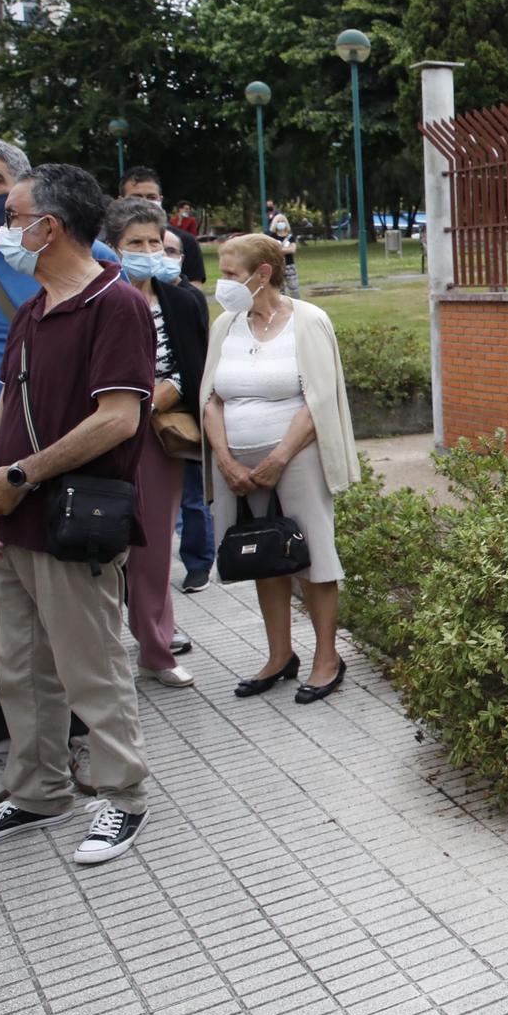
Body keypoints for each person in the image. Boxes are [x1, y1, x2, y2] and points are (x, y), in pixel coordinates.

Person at [0, 164, 156, 865]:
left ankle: (122, 797)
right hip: (14, 517)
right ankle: (37, 791)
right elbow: (3, 407)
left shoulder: (114, 305)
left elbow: (118, 419)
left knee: (91, 665)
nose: (5, 226)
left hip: (72, 517)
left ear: (49, 227)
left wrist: (19, 477)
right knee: (21, 666)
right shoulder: (33, 307)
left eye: (15, 215)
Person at [201, 233, 359, 704]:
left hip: (296, 459)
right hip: (237, 467)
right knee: (260, 555)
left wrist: (278, 457)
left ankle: (326, 657)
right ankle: (279, 655)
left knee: (314, 559)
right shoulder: (225, 325)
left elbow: (320, 397)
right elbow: (210, 398)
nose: (221, 283)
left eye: (230, 273)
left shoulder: (308, 321)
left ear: (262, 273)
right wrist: (226, 459)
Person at [102, 198, 210, 689]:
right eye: (135, 243)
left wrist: (171, 391)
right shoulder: (97, 299)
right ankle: (98, 652)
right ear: (111, 246)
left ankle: (156, 649)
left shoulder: (182, 299)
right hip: (101, 437)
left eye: (154, 242)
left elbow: (199, 367)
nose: (147, 252)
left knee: (152, 548)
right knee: (99, 542)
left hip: (158, 438)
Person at [162, 227, 215, 594]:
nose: (159, 255)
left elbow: (199, 356)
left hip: (183, 409)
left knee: (193, 496)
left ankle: (198, 563)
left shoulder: (188, 298)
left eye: (168, 249)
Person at [121, 168, 203, 284]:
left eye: (151, 197)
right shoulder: (108, 241)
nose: (144, 203)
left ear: (160, 199)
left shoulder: (186, 241)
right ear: (121, 200)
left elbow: (195, 293)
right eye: (136, 197)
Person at [269, 213, 300, 294]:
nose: (281, 223)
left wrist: (280, 250)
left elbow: (293, 249)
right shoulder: (272, 236)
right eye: (279, 221)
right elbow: (272, 250)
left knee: (294, 287)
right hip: (277, 265)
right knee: (280, 289)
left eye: (282, 221)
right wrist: (287, 249)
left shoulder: (290, 236)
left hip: (290, 265)